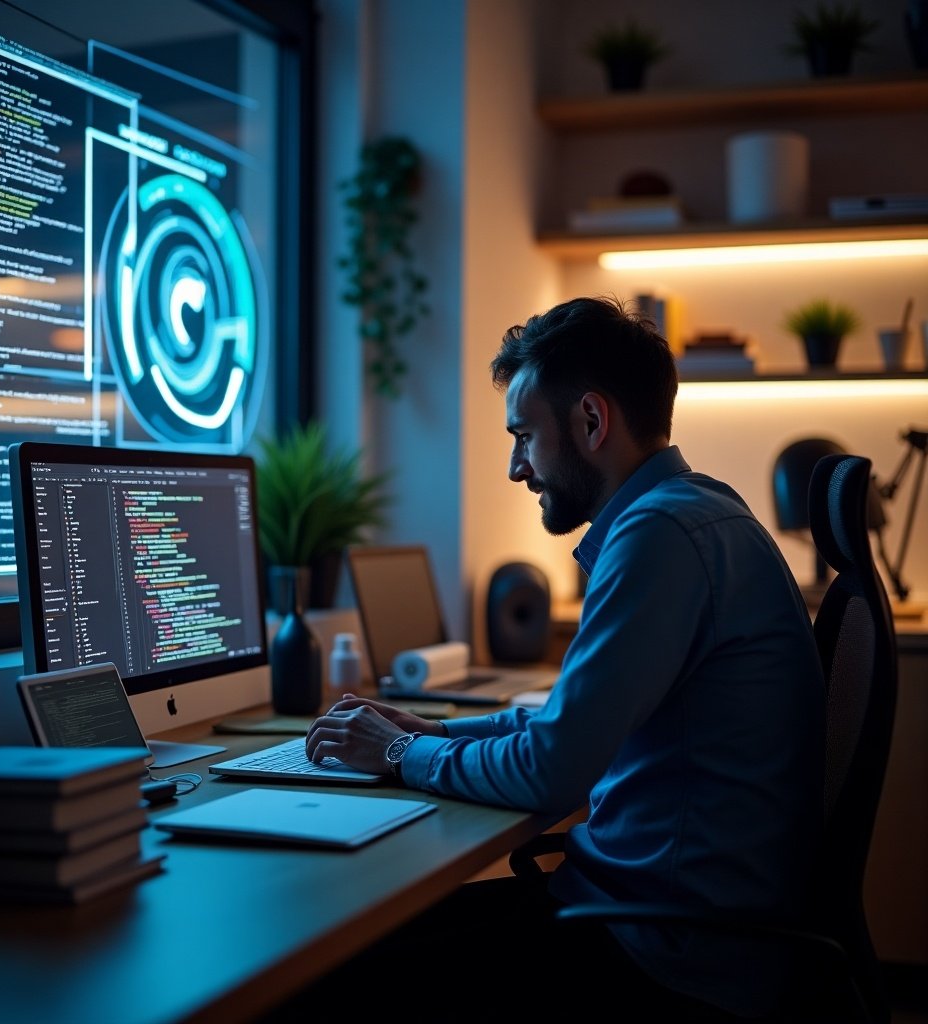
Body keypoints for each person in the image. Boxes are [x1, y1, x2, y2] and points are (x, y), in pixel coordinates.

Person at [293, 295, 825, 1022]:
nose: (518, 467)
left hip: (660, 953)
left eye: (523, 435)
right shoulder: (698, 512)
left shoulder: (660, 535)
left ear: (591, 421)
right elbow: (569, 724)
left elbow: (553, 766)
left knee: (327, 972)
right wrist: (429, 734)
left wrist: (398, 755)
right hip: (659, 915)